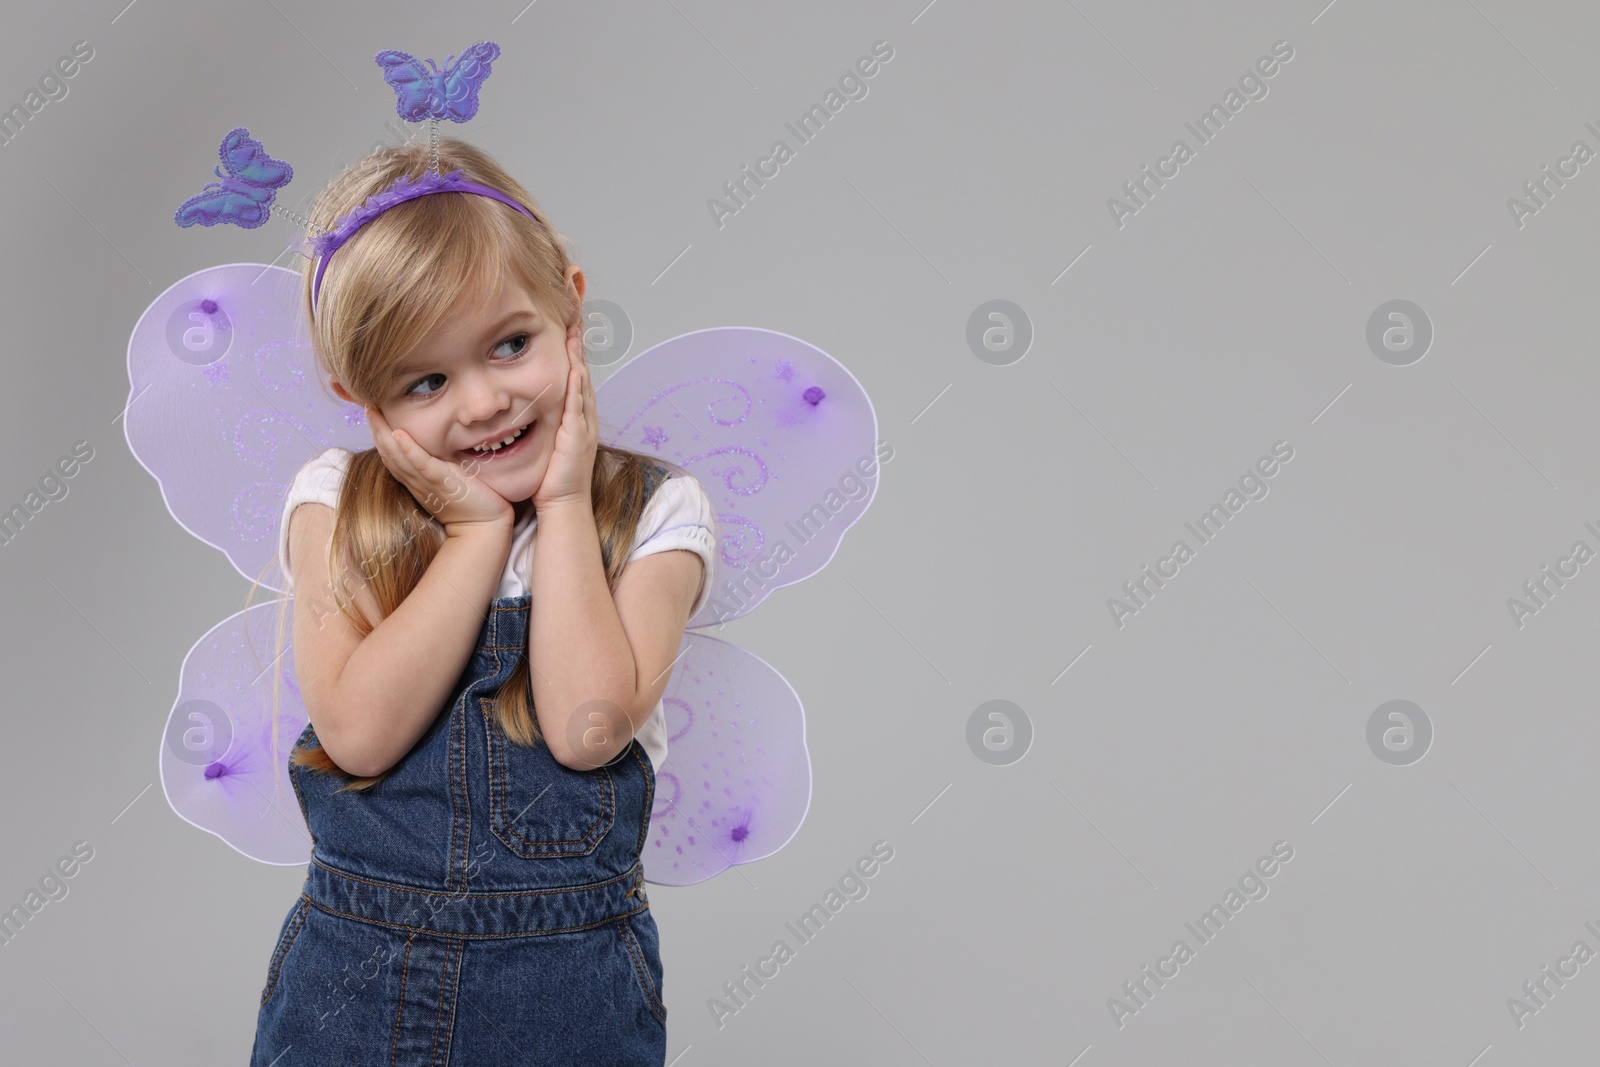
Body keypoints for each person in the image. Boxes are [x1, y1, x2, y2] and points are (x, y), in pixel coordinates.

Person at [248, 136, 716, 1066]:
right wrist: (472, 536)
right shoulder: (336, 502)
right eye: (426, 381)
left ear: (570, 310)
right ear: (362, 400)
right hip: (352, 980)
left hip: (566, 995)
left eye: (512, 343)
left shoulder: (654, 512)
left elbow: (589, 729)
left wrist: (564, 502)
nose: (484, 402)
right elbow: (359, 734)